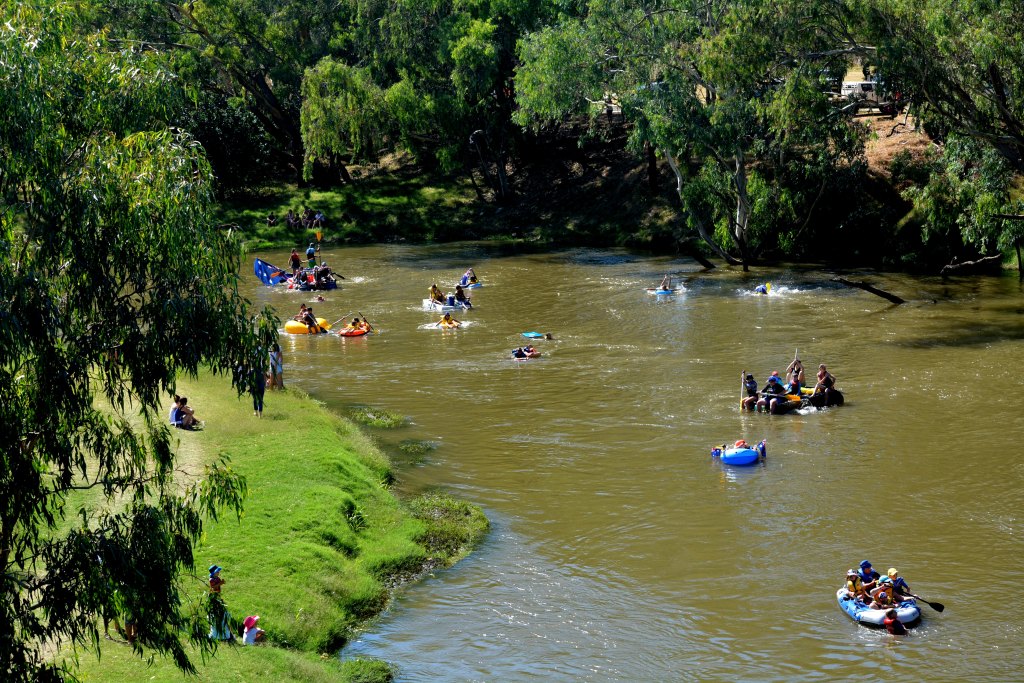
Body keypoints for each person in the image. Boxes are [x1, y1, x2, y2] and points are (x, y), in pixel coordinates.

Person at [207, 565, 233, 640]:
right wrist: (221, 583)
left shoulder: (217, 578)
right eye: (217, 571)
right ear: (213, 573)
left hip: (218, 595)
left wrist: (221, 582)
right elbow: (213, 587)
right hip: (213, 595)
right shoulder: (211, 579)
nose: (218, 573)